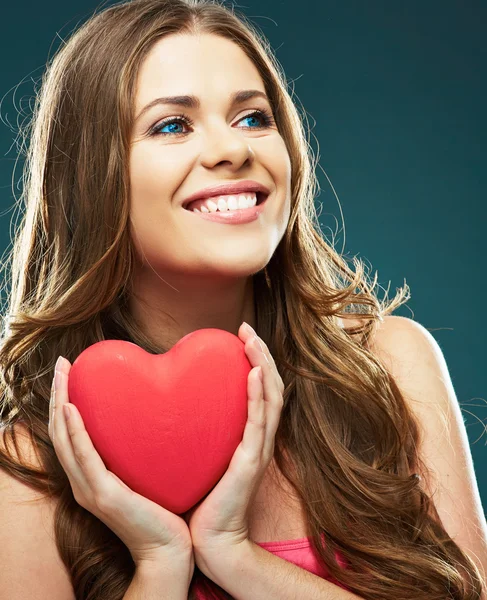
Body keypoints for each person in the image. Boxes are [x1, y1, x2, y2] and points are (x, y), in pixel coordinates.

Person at [0, 0, 486, 598]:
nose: (233, 150)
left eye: (253, 118)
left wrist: (236, 557)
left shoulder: (391, 365)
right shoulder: (35, 458)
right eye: (172, 125)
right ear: (92, 178)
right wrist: (159, 561)